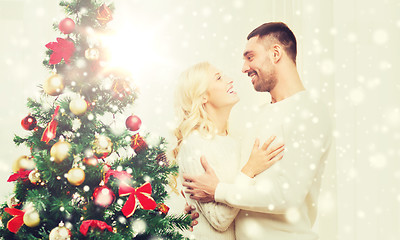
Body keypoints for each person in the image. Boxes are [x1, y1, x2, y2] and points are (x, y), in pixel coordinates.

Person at [182, 22, 333, 239]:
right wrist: (198, 211)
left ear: (275, 53)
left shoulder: (309, 112)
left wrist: (218, 191)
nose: (243, 68)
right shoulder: (254, 116)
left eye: (250, 57)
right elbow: (240, 181)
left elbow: (286, 197)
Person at [174, 62, 284, 239]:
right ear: (202, 96)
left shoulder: (235, 142)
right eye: (218, 78)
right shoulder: (195, 144)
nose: (230, 80)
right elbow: (220, 220)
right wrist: (249, 170)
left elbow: (247, 201)